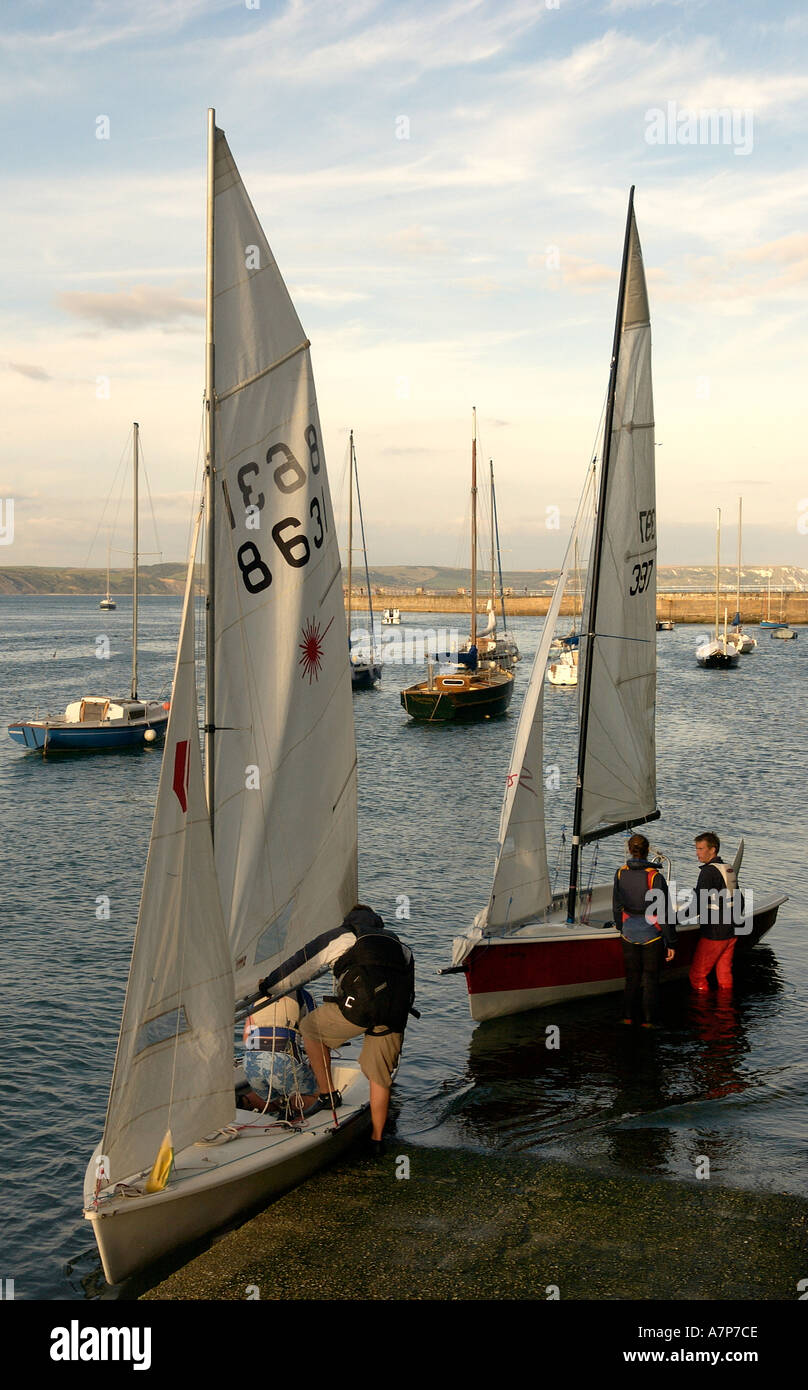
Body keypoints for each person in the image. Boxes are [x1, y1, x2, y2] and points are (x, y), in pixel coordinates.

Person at [297, 905, 416, 1156]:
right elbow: (408, 987)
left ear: (350, 922)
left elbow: (301, 962)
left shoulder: (344, 935)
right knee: (380, 1076)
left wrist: (269, 986)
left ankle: (328, 1095)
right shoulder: (399, 945)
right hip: (394, 1015)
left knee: (310, 1028)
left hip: (358, 1010)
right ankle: (377, 1140)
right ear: (378, 923)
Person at [613, 833, 676, 1027]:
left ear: (629, 850)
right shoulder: (655, 877)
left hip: (629, 933)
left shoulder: (620, 873)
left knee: (632, 977)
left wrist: (622, 928)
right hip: (651, 935)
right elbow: (664, 913)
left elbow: (616, 907)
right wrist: (671, 942)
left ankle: (627, 1017)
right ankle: (648, 1022)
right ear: (647, 851)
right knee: (650, 979)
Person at [688, 832, 742, 992]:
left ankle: (702, 1012)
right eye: (696, 848)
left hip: (715, 933)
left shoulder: (707, 872)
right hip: (731, 931)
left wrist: (674, 919)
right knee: (724, 974)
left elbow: (698, 904)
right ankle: (725, 1012)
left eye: (701, 848)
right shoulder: (728, 868)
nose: (697, 853)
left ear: (713, 850)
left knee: (697, 975)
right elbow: (740, 900)